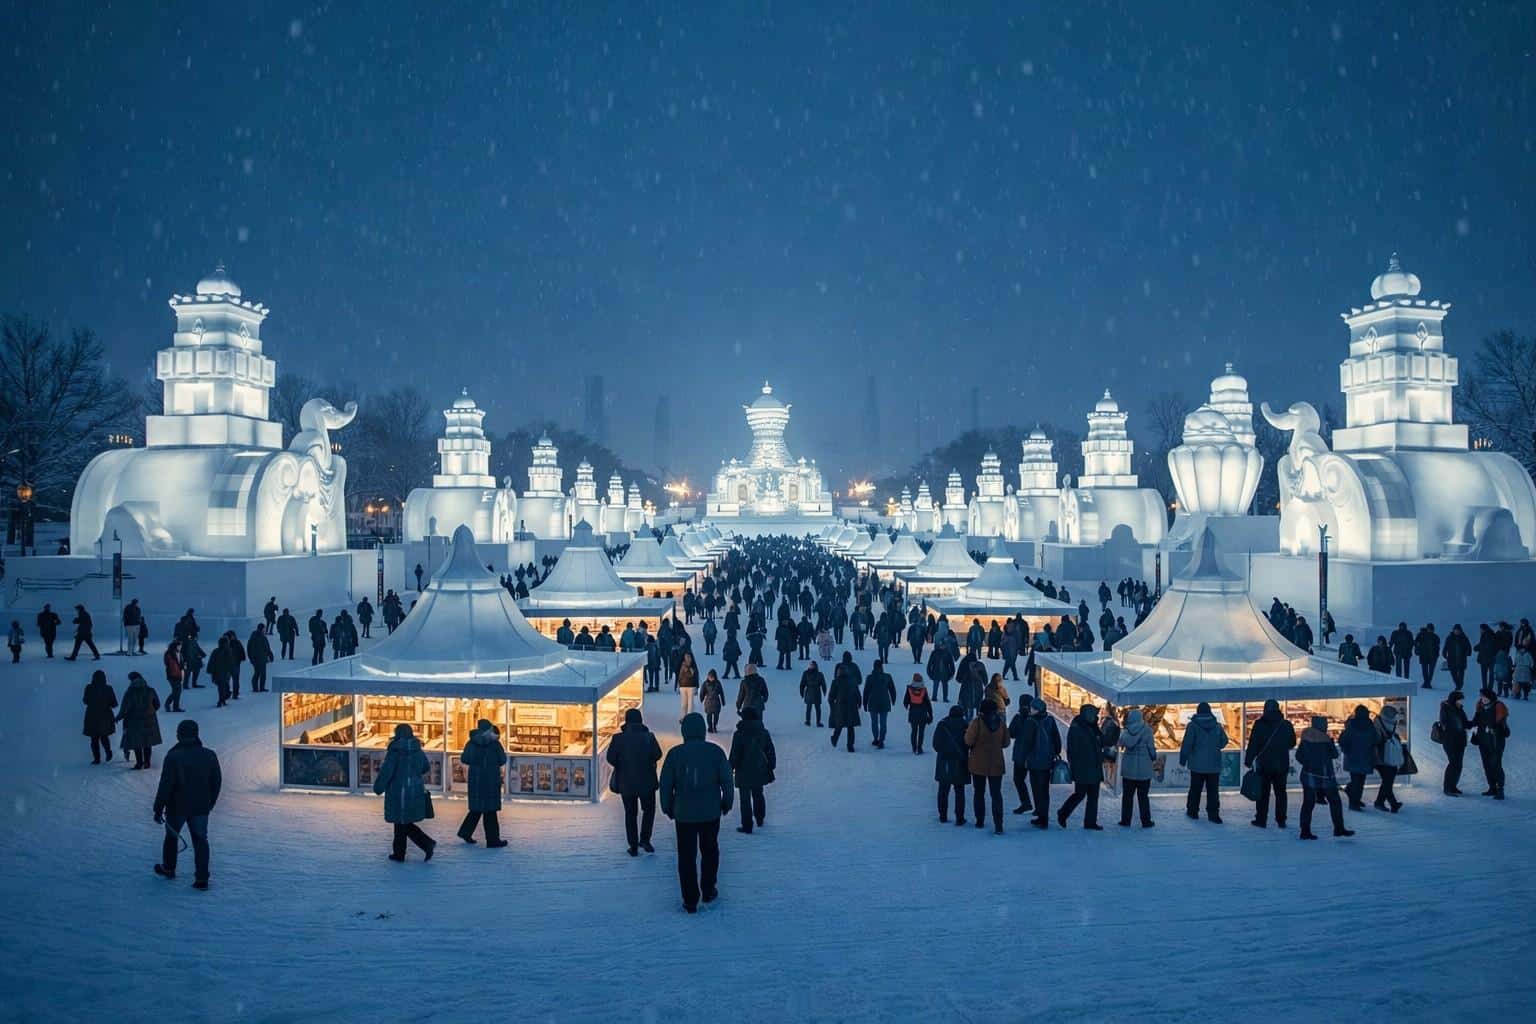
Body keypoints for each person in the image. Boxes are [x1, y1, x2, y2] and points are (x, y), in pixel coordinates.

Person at [658, 712, 733, 914]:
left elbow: (665, 784)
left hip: (684, 814)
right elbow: (727, 780)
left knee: (686, 857)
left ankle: (690, 899)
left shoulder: (675, 754)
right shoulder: (715, 752)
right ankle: (708, 890)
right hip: (710, 813)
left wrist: (667, 807)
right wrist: (727, 802)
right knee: (710, 851)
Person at [152, 719, 222, 890]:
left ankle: (169, 868)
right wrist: (210, 802)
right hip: (200, 806)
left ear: (179, 735)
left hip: (177, 806)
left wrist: (158, 807)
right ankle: (202, 878)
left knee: (171, 837)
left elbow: (166, 784)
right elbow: (216, 782)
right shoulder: (209, 755)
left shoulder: (173, 756)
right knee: (200, 840)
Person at [373, 723, 437, 862]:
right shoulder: (417, 749)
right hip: (414, 790)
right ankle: (402, 852)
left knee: (401, 822)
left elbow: (387, 771)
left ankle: (423, 845)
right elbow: (425, 767)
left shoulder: (395, 751)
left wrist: (379, 787)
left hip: (398, 791)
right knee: (402, 822)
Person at [607, 708, 663, 855]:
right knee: (648, 811)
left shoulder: (618, 738)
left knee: (630, 813)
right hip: (647, 782)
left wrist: (622, 763)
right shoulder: (649, 737)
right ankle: (645, 839)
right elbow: (658, 754)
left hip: (626, 783)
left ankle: (633, 845)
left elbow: (610, 758)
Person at [1295, 716, 1353, 839]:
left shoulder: (1305, 737)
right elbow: (1334, 754)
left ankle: (1304, 831)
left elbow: (1299, 756)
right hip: (1326, 776)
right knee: (1335, 801)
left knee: (1308, 804)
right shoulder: (1325, 739)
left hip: (1309, 775)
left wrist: (1308, 763)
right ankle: (1339, 828)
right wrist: (1331, 743)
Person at [456, 719, 509, 848]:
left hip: (476, 779)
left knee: (477, 808)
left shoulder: (471, 743)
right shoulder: (495, 744)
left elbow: (465, 759)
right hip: (491, 779)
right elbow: (502, 760)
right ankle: (493, 840)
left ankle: (465, 832)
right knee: (490, 811)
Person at [1244, 698, 1296, 828]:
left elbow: (1253, 744)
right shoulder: (1286, 724)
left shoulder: (1260, 724)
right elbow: (1292, 743)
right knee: (1281, 793)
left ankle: (1261, 819)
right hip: (1282, 764)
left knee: (1263, 793)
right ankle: (1281, 820)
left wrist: (1249, 760)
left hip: (1264, 764)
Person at [964, 698, 1011, 834]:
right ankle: (998, 824)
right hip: (996, 763)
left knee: (979, 793)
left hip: (978, 763)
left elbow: (968, 740)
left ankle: (980, 820)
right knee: (996, 794)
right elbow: (1006, 742)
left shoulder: (977, 723)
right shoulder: (1000, 723)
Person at [728, 706, 776, 834]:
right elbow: (770, 750)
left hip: (743, 770)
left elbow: (735, 754)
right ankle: (760, 818)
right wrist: (771, 765)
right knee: (758, 793)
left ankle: (747, 825)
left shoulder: (739, 734)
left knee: (745, 799)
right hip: (759, 769)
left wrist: (729, 768)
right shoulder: (763, 732)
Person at [1179, 701, 1228, 823]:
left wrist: (1183, 758)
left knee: (1195, 789)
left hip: (1197, 765)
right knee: (1213, 791)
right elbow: (1224, 741)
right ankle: (1213, 814)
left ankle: (1192, 811)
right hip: (1214, 765)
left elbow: (1187, 744)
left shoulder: (1192, 726)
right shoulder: (1217, 725)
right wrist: (1215, 747)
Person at [1058, 704, 1104, 830]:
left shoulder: (1090, 726)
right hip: (1084, 768)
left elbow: (1101, 741)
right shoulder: (1078, 728)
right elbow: (1073, 750)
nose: (1097, 717)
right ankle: (1063, 813)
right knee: (1080, 794)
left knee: (1092, 797)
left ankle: (1090, 822)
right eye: (1095, 715)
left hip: (1093, 766)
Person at [1019, 698, 1061, 829]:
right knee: (1044, 790)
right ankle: (1044, 817)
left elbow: (1026, 742)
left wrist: (1023, 758)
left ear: (1036, 709)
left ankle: (1041, 817)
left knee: (1037, 789)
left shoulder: (1030, 722)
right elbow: (1057, 739)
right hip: (1047, 760)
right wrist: (1055, 751)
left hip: (1034, 761)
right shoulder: (1050, 720)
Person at [1117, 708, 1157, 828]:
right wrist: (1153, 757)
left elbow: (1120, 744)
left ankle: (1125, 820)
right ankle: (1146, 821)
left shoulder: (1125, 731)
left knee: (1127, 797)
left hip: (1129, 769)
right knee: (1143, 797)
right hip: (1144, 770)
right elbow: (1151, 749)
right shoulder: (1147, 731)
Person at [931, 705, 970, 825]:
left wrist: (945, 751)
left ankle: (943, 815)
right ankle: (960, 817)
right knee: (959, 791)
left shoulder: (942, 725)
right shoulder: (966, 725)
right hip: (960, 761)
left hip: (945, 762)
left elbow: (936, 745)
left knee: (943, 790)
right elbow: (969, 743)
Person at [116, 671, 162, 770]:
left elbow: (125, 709)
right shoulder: (150, 690)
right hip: (150, 720)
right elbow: (157, 704)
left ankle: (139, 763)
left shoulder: (130, 692)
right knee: (147, 742)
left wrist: (118, 718)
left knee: (137, 742)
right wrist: (151, 711)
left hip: (134, 721)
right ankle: (147, 763)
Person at [1471, 687, 1509, 800]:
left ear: (1490, 697)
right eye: (1482, 697)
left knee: (1496, 765)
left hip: (1495, 742)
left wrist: (1494, 729)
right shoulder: (1480, 708)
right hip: (1483, 741)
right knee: (1486, 765)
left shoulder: (1498, 707)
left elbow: (1504, 729)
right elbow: (1474, 722)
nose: (1483, 699)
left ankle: (1500, 789)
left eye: (1485, 697)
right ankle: (1492, 787)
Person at [1338, 705, 1377, 811]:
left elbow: (1342, 740)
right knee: (1361, 781)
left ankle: (1353, 801)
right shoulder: (1370, 725)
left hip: (1352, 757)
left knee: (1355, 780)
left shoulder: (1351, 725)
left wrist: (1347, 750)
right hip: (1366, 756)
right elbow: (1375, 740)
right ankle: (1355, 800)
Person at [1372, 705, 1405, 812]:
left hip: (1386, 755)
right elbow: (1376, 740)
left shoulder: (1388, 724)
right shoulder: (1378, 724)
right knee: (1388, 780)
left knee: (1388, 780)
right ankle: (1383, 802)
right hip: (1380, 757)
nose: (1395, 718)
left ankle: (1388, 803)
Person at [1437, 689, 1470, 795]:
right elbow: (1444, 723)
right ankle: (1447, 787)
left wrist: (1475, 722)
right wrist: (1456, 727)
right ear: (1454, 700)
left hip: (1460, 740)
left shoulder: (1460, 709)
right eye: (1460, 700)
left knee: (1458, 765)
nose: (1461, 702)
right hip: (1450, 741)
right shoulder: (1446, 708)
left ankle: (1453, 786)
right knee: (1453, 764)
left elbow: (1465, 723)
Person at [82, 669, 118, 764]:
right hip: (105, 715)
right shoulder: (108, 688)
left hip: (91, 715)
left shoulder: (89, 688)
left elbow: (85, 700)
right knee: (104, 736)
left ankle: (96, 758)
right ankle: (108, 752)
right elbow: (114, 703)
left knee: (94, 738)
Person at [827, 657, 862, 753]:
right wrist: (859, 703)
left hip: (840, 706)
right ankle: (850, 746)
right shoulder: (852, 681)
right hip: (851, 706)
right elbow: (857, 693)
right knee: (850, 726)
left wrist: (832, 706)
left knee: (839, 724)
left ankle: (834, 739)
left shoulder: (836, 682)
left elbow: (831, 697)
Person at [863, 658, 897, 749]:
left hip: (872, 702)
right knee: (883, 723)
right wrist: (893, 700)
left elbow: (866, 691)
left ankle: (875, 738)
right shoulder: (887, 677)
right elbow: (892, 690)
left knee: (874, 722)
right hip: (884, 702)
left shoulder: (870, 677)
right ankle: (881, 740)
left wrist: (864, 703)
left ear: (873, 667)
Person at [903, 673, 933, 754]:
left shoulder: (909, 689)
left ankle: (914, 747)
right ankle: (919, 748)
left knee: (914, 731)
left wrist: (907, 706)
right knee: (921, 732)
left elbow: (905, 701)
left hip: (913, 713)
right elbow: (928, 703)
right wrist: (930, 714)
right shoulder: (923, 690)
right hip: (922, 714)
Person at [1443, 624, 1471, 690]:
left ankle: (1459, 685)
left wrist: (1468, 652)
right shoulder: (1449, 638)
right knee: (1453, 673)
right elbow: (1446, 646)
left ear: (1460, 631)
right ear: (1453, 630)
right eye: (1455, 630)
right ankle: (1458, 684)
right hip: (1452, 658)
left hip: (1461, 658)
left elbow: (1468, 646)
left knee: (1461, 673)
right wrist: (1444, 653)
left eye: (1458, 630)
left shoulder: (1464, 638)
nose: (1457, 631)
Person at [798, 660, 827, 726]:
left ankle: (818, 722)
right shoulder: (806, 673)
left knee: (818, 708)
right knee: (808, 708)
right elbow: (802, 683)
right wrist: (801, 692)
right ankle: (808, 721)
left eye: (812, 665)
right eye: (811, 665)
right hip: (809, 691)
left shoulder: (819, 674)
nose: (811, 666)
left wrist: (824, 690)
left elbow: (823, 683)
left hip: (816, 692)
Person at [247, 624, 273, 693]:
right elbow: (267, 647)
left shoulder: (252, 637)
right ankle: (261, 687)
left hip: (256, 659)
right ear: (262, 629)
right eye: (264, 629)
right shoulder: (262, 637)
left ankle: (256, 688)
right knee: (262, 673)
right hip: (261, 658)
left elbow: (248, 648)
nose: (265, 630)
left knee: (257, 673)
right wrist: (270, 655)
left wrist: (250, 658)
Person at [162, 640, 184, 713]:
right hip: (172, 675)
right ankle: (168, 704)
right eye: (179, 646)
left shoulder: (179, 654)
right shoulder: (169, 654)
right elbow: (169, 664)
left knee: (178, 691)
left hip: (178, 674)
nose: (180, 647)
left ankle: (175, 707)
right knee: (176, 691)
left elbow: (180, 664)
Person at [677, 651, 699, 717]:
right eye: (686, 657)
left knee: (690, 703)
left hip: (691, 686)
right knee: (684, 703)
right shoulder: (683, 665)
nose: (688, 658)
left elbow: (696, 676)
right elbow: (680, 676)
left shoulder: (693, 666)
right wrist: (679, 685)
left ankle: (689, 717)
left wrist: (697, 686)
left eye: (689, 657)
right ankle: (683, 717)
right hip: (683, 686)